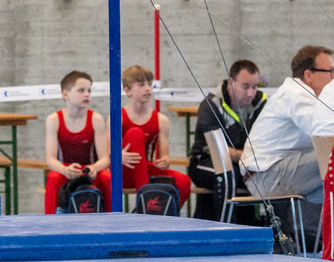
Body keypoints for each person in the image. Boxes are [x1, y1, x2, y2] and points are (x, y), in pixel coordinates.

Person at [241, 45, 334, 238]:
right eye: (330, 71)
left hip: (273, 171)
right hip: (265, 177)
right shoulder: (297, 95)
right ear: (309, 75)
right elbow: (323, 133)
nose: (333, 77)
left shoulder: (303, 95)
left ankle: (322, 240)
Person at [187, 59, 266, 220]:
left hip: (243, 162)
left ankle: (277, 231)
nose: (251, 93)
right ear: (231, 83)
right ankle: (225, 229)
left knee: (272, 172)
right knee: (227, 174)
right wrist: (249, 156)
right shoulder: (211, 104)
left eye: (255, 86)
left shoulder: (260, 102)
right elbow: (218, 149)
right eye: (245, 87)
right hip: (205, 161)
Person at [118, 64, 192, 206]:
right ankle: (145, 202)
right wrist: (118, 155)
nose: (147, 88)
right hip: (123, 172)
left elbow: (164, 157)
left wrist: (164, 161)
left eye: (150, 84)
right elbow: (108, 152)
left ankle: (157, 213)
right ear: (127, 90)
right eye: (141, 85)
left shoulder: (161, 120)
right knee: (135, 133)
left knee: (184, 181)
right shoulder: (117, 117)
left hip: (146, 171)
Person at [44, 70, 111, 213]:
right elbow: (50, 159)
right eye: (81, 90)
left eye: (89, 90)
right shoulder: (54, 120)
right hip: (67, 169)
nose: (87, 94)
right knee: (54, 177)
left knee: (107, 177)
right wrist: (64, 170)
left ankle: (114, 218)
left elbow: (105, 159)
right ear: (65, 94)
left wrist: (95, 168)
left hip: (89, 169)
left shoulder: (96, 119)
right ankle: (49, 222)